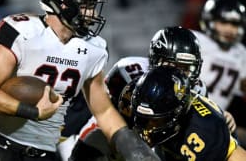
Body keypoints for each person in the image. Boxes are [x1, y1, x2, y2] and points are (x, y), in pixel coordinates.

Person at [0, 0, 159, 161]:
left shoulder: (94, 48)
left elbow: (103, 110)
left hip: (44, 152)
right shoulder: (24, 32)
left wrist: (133, 148)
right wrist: (33, 111)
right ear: (64, 3)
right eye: (87, 5)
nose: (92, 14)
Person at [62, 26, 236, 160]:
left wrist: (220, 116)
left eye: (185, 68)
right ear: (154, 60)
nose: (178, 75)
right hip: (116, 137)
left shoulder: (197, 89)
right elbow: (103, 114)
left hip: (158, 145)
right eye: (172, 65)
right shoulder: (127, 72)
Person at [71, 66, 246, 160]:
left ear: (176, 115)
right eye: (141, 118)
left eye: (154, 121)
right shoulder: (129, 95)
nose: (144, 128)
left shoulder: (204, 129)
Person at [194, 0, 246, 147]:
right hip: (187, 113)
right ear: (209, 21)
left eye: (235, 24)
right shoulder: (197, 42)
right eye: (223, 22)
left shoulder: (241, 53)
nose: (230, 29)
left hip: (218, 120)